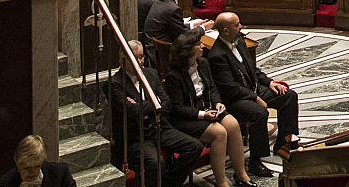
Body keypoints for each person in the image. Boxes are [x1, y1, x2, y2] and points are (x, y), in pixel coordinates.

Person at [207, 13, 299, 176]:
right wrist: (256, 98)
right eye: (237, 25)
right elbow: (231, 88)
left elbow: (253, 70)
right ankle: (255, 161)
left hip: (253, 89)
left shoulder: (240, 42)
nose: (241, 26)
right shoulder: (216, 55)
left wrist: (269, 82)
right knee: (259, 113)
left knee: (289, 96)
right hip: (236, 99)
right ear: (226, 30)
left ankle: (283, 145)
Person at [162, 31, 255, 187]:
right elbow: (177, 108)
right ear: (188, 50)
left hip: (208, 110)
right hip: (188, 118)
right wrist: (203, 115)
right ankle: (221, 182)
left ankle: (241, 174)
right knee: (219, 132)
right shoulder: (174, 76)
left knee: (232, 124)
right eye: (198, 44)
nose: (203, 46)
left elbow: (212, 89)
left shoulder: (203, 64)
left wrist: (218, 103)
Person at [108, 40, 203, 187]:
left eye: (142, 57)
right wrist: (154, 103)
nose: (140, 61)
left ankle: (169, 183)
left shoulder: (151, 74)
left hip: (159, 128)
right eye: (136, 58)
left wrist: (141, 105)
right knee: (155, 163)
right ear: (124, 60)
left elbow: (167, 104)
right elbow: (131, 111)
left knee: (194, 146)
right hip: (137, 136)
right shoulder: (115, 83)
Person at [0, 135, 76, 187]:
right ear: (17, 163)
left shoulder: (60, 173)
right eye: (26, 168)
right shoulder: (5, 183)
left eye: (37, 166)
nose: (32, 172)